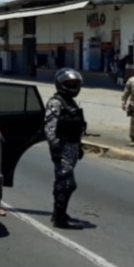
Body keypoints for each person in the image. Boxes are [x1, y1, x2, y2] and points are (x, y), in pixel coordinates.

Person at [44, 68, 87, 229]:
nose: (72, 86)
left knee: (65, 182)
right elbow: (50, 128)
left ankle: (59, 214)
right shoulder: (56, 102)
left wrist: (79, 146)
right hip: (62, 148)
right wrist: (55, 150)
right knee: (67, 183)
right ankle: (60, 218)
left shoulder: (71, 102)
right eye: (69, 83)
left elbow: (76, 126)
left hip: (72, 146)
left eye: (74, 83)